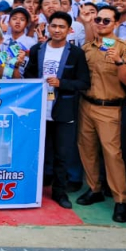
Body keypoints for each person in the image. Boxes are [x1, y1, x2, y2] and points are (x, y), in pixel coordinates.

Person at [24, 12, 90, 209]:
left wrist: (62, 83)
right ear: (47, 27)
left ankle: (60, 193)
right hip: (38, 111)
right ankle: (32, 190)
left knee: (62, 155)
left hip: (63, 111)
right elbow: (28, 76)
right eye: (53, 26)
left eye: (62, 27)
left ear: (69, 30)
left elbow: (84, 82)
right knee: (37, 152)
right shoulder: (37, 49)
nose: (57, 30)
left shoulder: (76, 53)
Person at [77, 5, 126, 223]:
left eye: (106, 21)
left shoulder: (125, 48)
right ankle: (94, 189)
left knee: (113, 155)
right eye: (98, 20)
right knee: (87, 149)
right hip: (86, 104)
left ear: (116, 24)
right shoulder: (87, 48)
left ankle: (120, 199)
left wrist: (118, 60)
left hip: (109, 108)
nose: (101, 23)